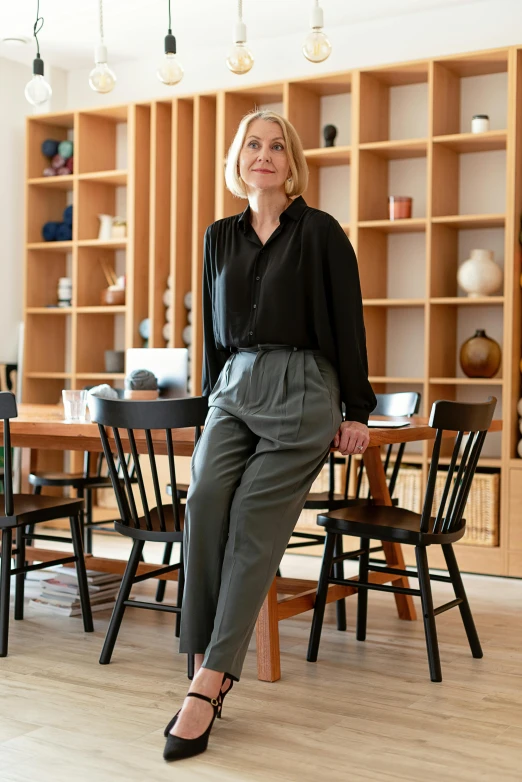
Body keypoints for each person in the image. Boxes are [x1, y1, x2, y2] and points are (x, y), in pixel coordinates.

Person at [163, 109, 377, 762]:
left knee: (255, 518)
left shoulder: (321, 233)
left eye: (276, 146)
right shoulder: (218, 237)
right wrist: (206, 409)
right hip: (234, 386)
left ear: (292, 163)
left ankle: (211, 681)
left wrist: (357, 410)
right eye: (252, 145)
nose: (264, 154)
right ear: (238, 159)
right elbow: (209, 335)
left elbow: (348, 322)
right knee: (203, 501)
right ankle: (205, 652)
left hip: (303, 384)